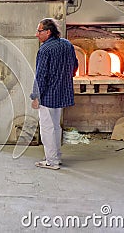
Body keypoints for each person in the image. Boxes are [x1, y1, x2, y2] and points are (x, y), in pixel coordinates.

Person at [30, 18, 78, 170]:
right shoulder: (67, 44)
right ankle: (56, 156)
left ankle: (51, 161)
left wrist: (35, 96)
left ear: (48, 32)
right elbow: (75, 66)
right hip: (62, 92)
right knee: (56, 126)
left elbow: (41, 76)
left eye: (39, 31)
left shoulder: (45, 50)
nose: (37, 35)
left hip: (47, 95)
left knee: (47, 128)